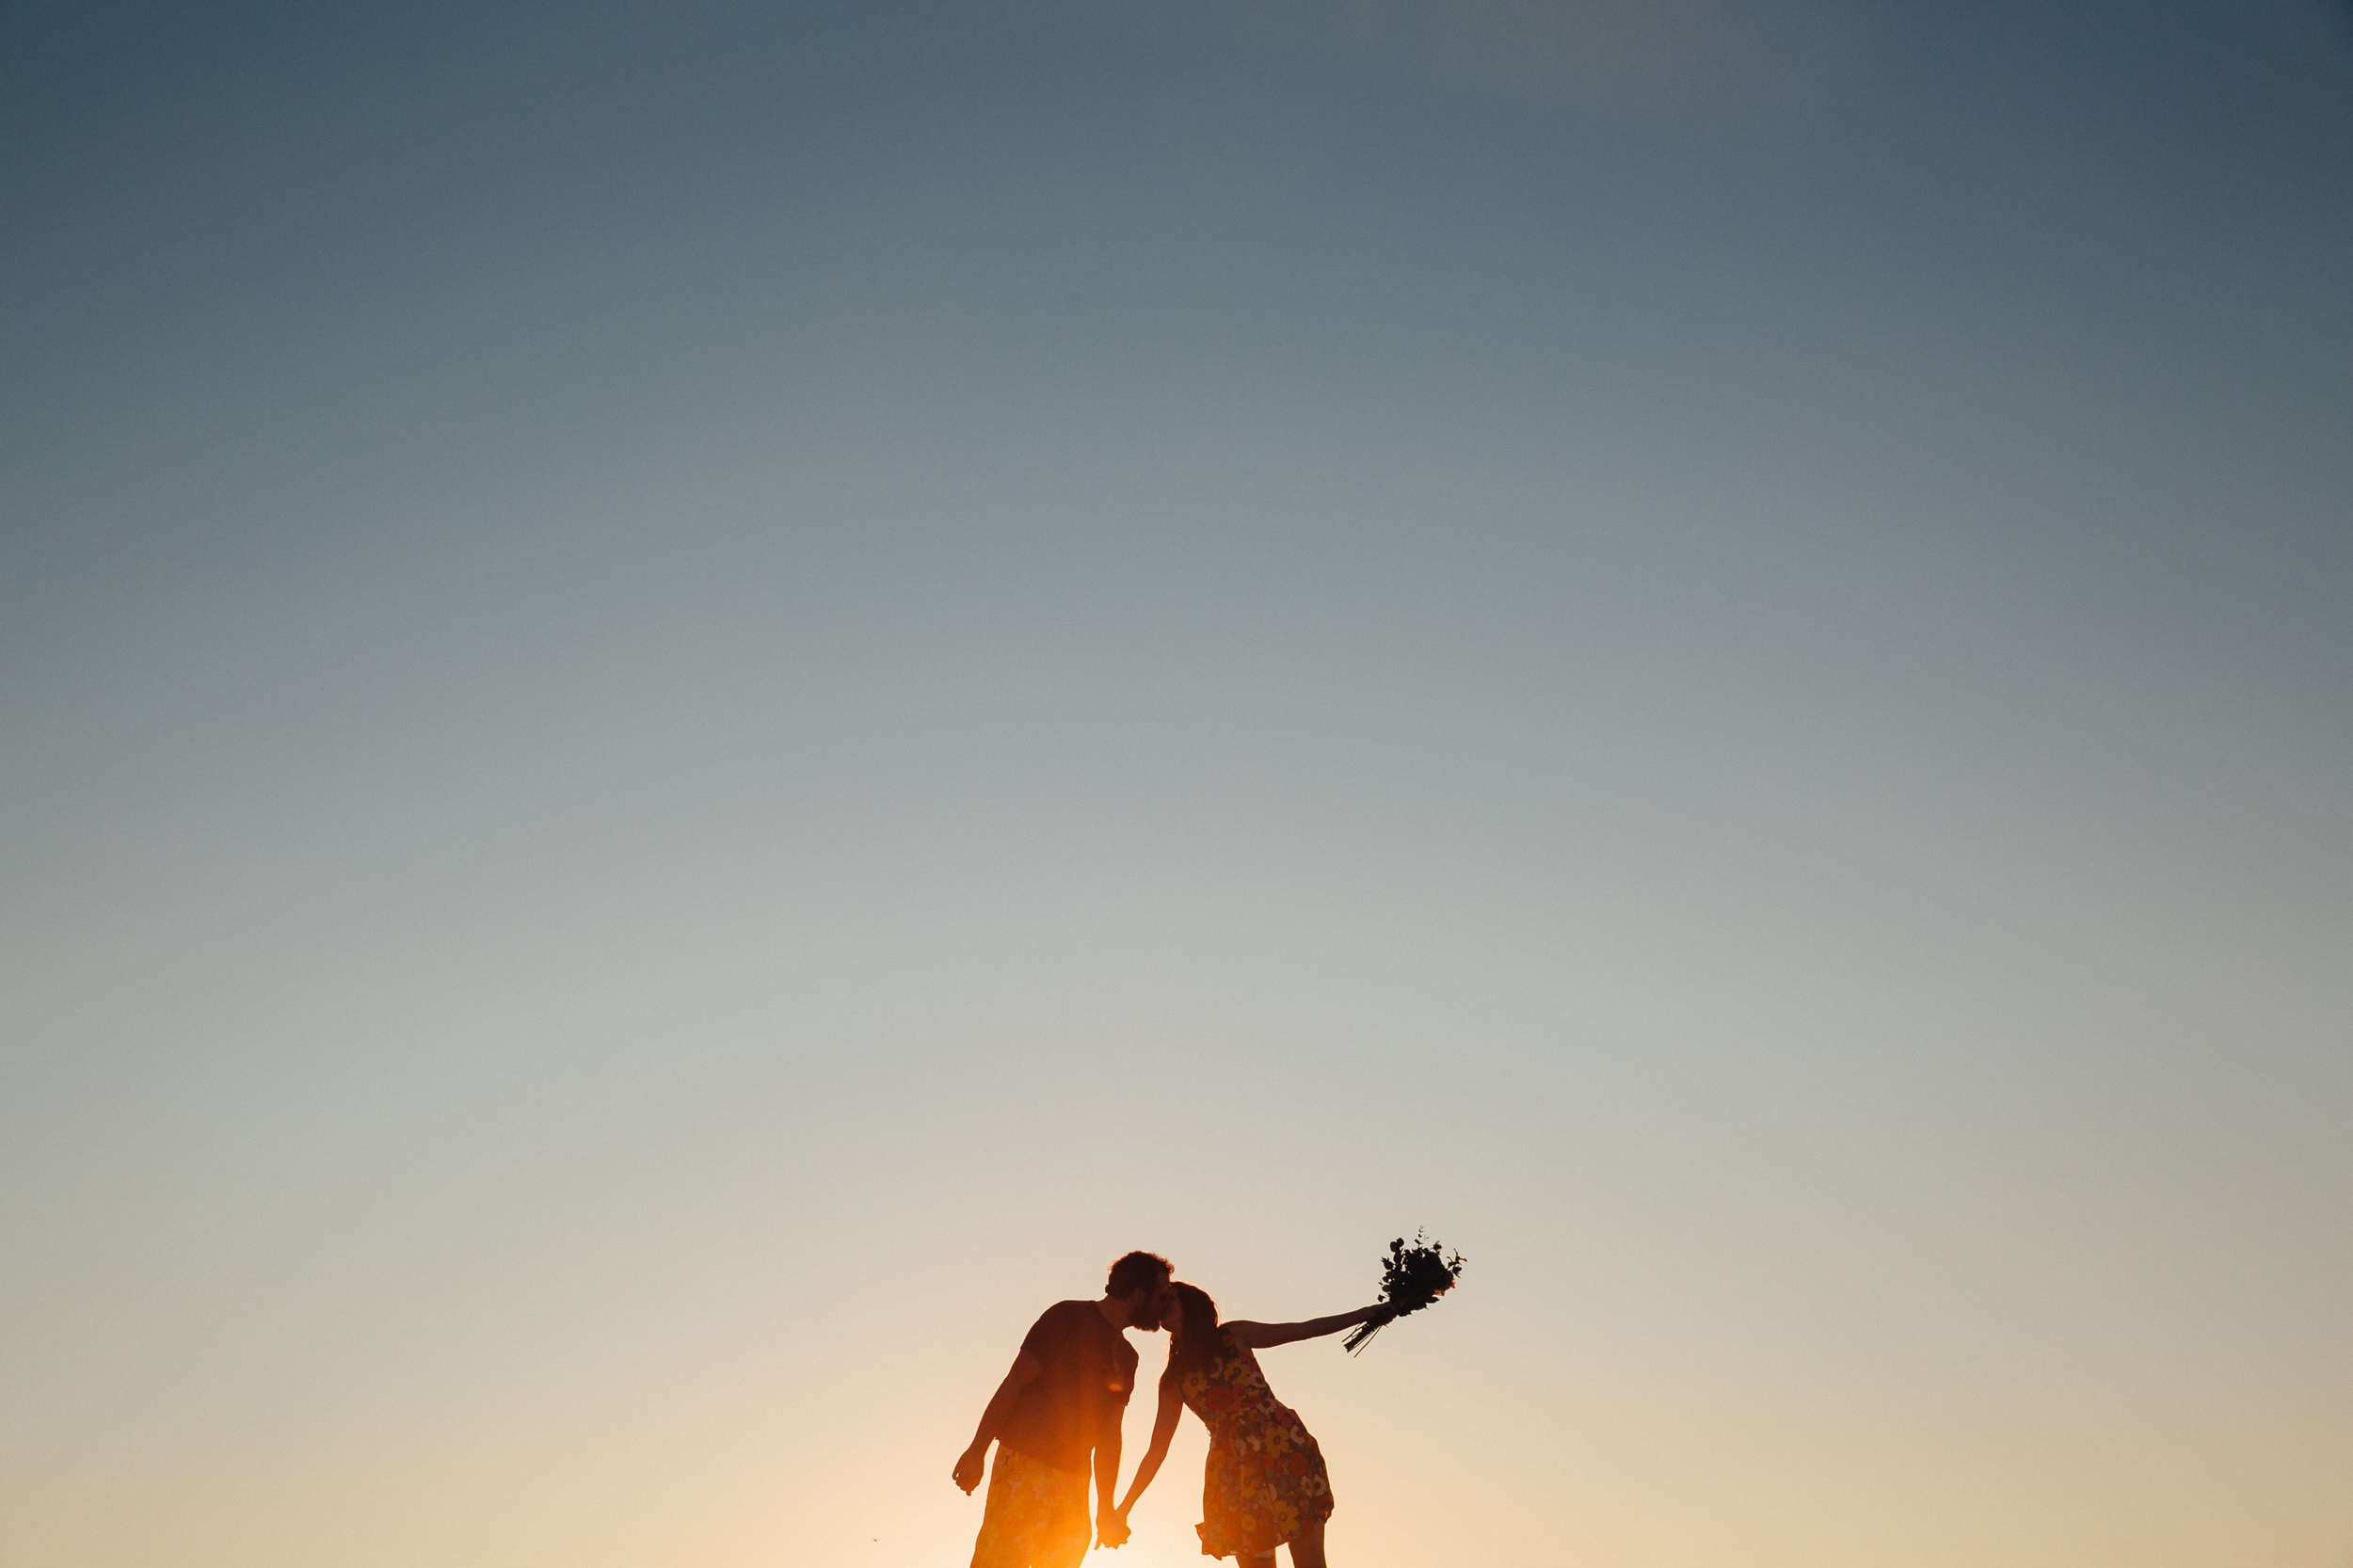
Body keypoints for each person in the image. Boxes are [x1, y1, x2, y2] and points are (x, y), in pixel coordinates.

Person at [1109, 1282, 1392, 1568]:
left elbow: (1302, 1330)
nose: (1161, 1304)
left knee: (1311, 1564)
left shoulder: (1233, 1335)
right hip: (1233, 1473)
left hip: (1282, 1448)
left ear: (1192, 1305)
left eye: (1170, 1298)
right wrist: (1124, 1508)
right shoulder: (1173, 1379)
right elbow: (1157, 1450)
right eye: (1161, 1299)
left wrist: (1368, 1313)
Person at [954, 1250, 1175, 1568]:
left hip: (1074, 1480)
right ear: (1139, 1294)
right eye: (1161, 1296)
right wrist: (977, 1451)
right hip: (1023, 1464)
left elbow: (1110, 1437)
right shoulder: (1066, 1317)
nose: (1163, 1305)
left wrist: (1105, 1509)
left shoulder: (1127, 1358)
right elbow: (1013, 1383)